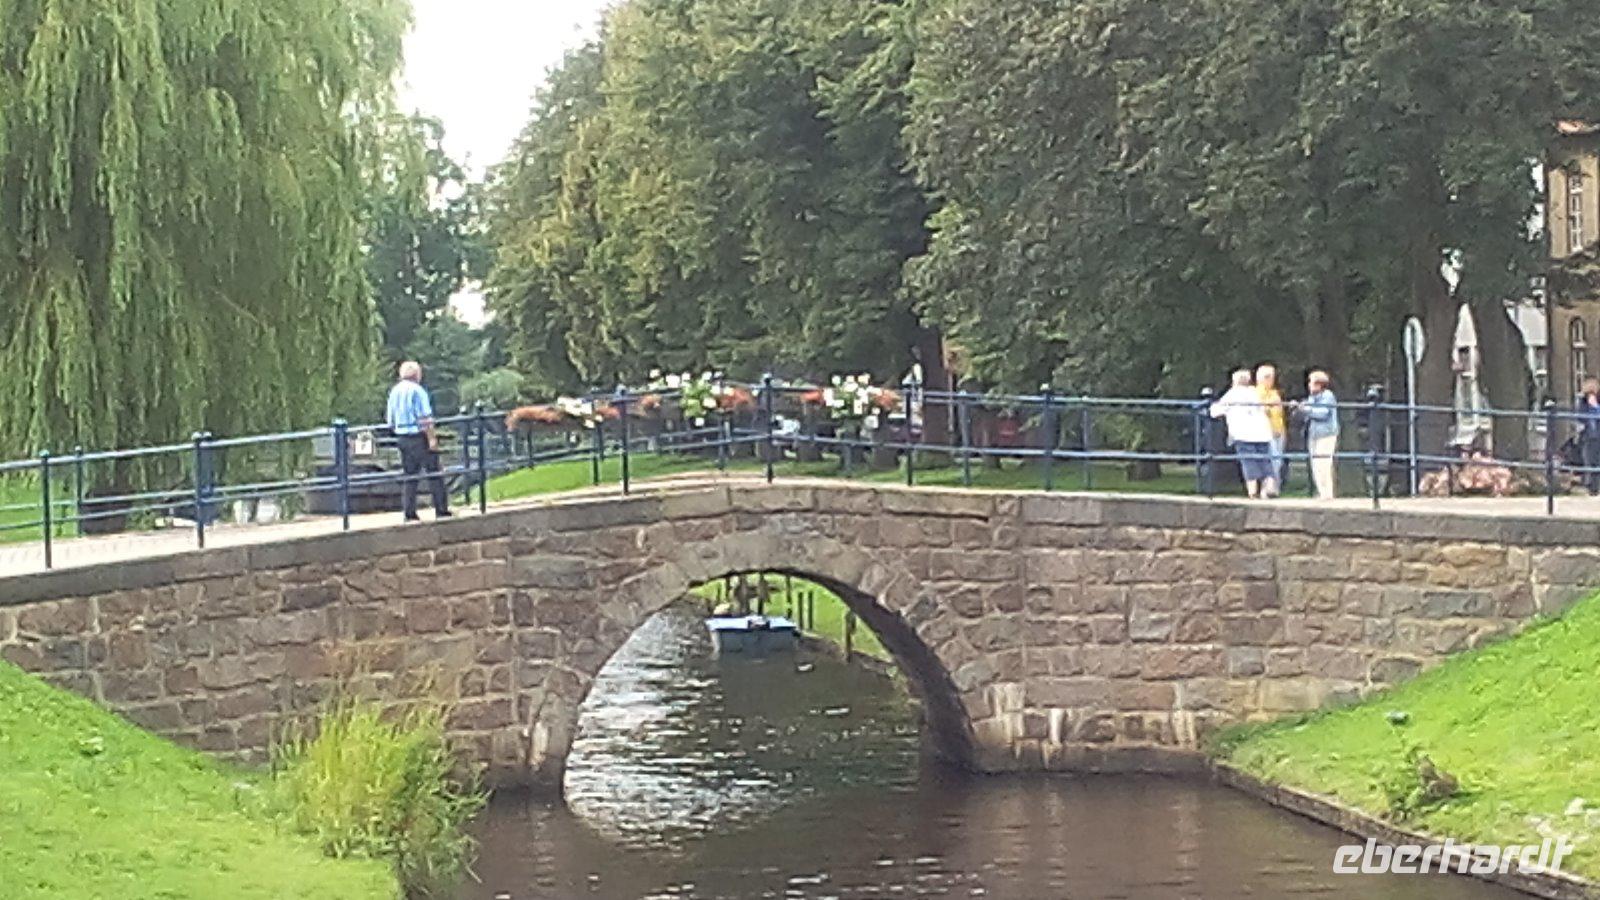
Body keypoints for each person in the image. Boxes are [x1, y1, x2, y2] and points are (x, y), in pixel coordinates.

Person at [386, 360, 451, 522]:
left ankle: (409, 513)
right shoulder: (418, 390)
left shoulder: (394, 391)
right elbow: (424, 417)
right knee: (434, 473)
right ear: (416, 374)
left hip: (402, 437)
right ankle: (441, 510)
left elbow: (390, 420)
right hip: (419, 437)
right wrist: (431, 439)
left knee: (410, 476)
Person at [1211, 369, 1277, 499]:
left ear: (1234, 381)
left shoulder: (1232, 394)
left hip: (1243, 434)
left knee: (1248, 461)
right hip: (1262, 432)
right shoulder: (1254, 392)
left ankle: (1253, 492)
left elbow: (1215, 412)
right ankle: (1269, 487)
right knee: (1265, 461)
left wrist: (1212, 406)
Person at [1296, 370, 1340, 500]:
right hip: (1314, 433)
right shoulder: (1312, 397)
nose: (1309, 385)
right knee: (1315, 464)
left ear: (1319, 384)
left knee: (1324, 463)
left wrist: (1306, 409)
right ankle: (1322, 492)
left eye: (1311, 382)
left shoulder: (1328, 395)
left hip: (1326, 433)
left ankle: (1327, 493)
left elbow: (1323, 413)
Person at [1256, 364, 1287, 496]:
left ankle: (1274, 488)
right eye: (1268, 377)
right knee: (1270, 461)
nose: (1271, 380)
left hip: (1279, 429)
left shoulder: (1274, 393)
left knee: (1278, 461)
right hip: (1267, 431)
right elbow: (1259, 411)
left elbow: (1279, 411)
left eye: (1272, 377)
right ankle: (1267, 489)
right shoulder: (1257, 393)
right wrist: (1269, 405)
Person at [1578, 378, 1600, 496]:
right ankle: (1591, 486)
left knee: (1596, 460)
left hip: (1597, 434)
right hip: (1588, 435)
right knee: (1589, 460)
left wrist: (1596, 406)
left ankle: (1595, 485)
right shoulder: (1583, 402)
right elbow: (1580, 417)